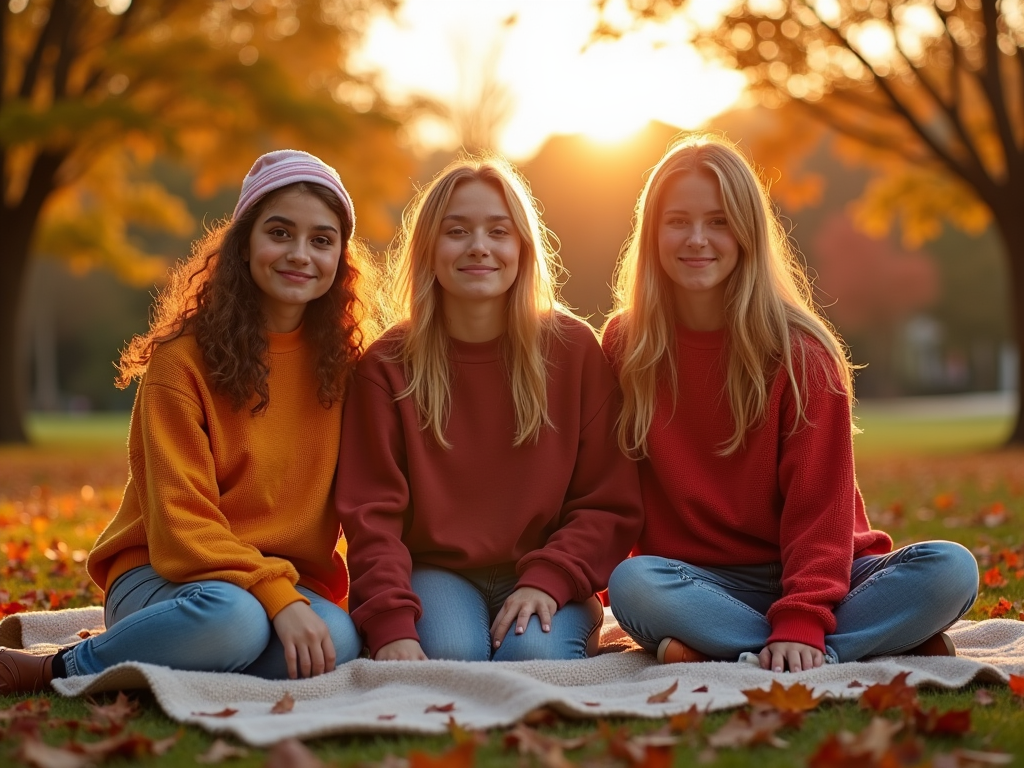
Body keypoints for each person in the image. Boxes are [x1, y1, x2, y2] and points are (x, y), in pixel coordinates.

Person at [0, 150, 372, 694]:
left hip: (283, 586)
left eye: (321, 239)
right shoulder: (183, 361)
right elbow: (182, 525)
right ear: (244, 243)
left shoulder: (345, 371)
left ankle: (169, 654)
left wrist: (285, 596)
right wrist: (276, 600)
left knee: (337, 640)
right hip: (167, 575)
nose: (300, 254)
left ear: (341, 255)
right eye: (280, 232)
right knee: (234, 621)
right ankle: (61, 665)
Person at [602, 134, 978, 672]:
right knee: (633, 585)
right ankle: (855, 644)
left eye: (719, 220)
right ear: (653, 233)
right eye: (678, 221)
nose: (697, 239)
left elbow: (821, 513)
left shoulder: (802, 354)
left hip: (826, 575)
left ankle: (753, 647)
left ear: (748, 232)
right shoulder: (625, 345)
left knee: (951, 570)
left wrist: (801, 615)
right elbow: (605, 487)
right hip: (697, 581)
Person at [336, 155, 644, 662]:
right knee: (452, 657)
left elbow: (608, 501)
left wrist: (551, 580)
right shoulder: (387, 366)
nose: (479, 247)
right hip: (437, 573)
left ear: (522, 247)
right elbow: (372, 517)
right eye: (457, 231)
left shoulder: (572, 350)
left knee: (536, 662)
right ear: (429, 248)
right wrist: (391, 624)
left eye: (498, 231)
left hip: (547, 568)